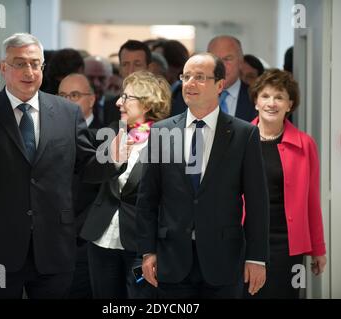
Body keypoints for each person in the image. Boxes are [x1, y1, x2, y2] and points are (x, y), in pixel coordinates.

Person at [0, 33, 123, 299]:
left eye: (35, 64)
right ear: (3, 68)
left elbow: (87, 167)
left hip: (54, 247)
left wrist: (112, 158)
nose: (29, 71)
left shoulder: (67, 113)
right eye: (20, 63)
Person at [136, 53, 269, 299]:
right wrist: (147, 251)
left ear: (220, 85)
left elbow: (257, 202)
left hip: (224, 260)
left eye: (199, 77)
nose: (189, 84)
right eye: (186, 77)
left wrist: (256, 257)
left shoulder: (244, 134)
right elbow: (147, 199)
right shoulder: (162, 131)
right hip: (171, 259)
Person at [80, 71, 171, 298]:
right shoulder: (112, 130)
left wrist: (157, 246)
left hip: (142, 243)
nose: (119, 102)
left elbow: (169, 198)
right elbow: (88, 174)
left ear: (148, 103)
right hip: (101, 237)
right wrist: (112, 159)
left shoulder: (167, 139)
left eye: (127, 97)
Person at [246, 68, 326, 299]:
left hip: (289, 246)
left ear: (289, 105)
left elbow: (312, 201)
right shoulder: (238, 139)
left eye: (279, 97)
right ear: (256, 102)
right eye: (265, 96)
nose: (272, 103)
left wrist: (318, 249)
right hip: (245, 241)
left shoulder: (305, 144)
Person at [57, 73, 101, 298]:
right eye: (62, 95)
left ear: (91, 100)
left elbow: (104, 195)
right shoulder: (47, 134)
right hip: (52, 240)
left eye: (74, 95)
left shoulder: (107, 136)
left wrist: (75, 230)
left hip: (86, 241)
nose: (67, 101)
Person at [207, 35, 256, 121]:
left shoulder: (255, 97)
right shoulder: (191, 96)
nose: (220, 66)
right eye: (215, 59)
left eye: (227, 59)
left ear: (241, 62)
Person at [103, 40, 151, 126]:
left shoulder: (162, 106)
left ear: (148, 68)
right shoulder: (109, 108)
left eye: (137, 64)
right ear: (120, 69)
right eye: (125, 64)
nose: (131, 71)